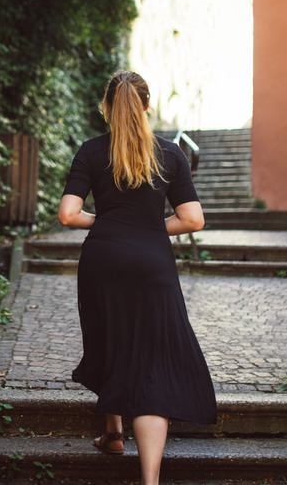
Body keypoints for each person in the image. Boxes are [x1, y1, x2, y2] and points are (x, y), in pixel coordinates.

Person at [57, 70, 217, 485]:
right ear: (147, 105)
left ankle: (113, 434)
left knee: (110, 338)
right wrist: (147, 227)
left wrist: (109, 221)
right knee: (152, 367)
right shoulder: (170, 153)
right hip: (152, 264)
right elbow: (193, 219)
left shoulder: (91, 151)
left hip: (103, 259)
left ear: (106, 107)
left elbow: (68, 214)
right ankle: (149, 480)